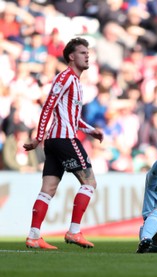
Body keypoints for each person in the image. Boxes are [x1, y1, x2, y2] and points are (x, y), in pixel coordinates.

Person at [23, 37, 104, 250]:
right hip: (63, 139)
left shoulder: (76, 81)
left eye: (88, 53)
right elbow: (48, 106)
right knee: (90, 182)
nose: (87, 56)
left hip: (55, 140)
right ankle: (74, 232)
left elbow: (72, 117)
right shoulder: (65, 77)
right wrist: (38, 137)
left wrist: (90, 130)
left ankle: (33, 236)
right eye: (82, 53)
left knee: (48, 188)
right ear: (71, 56)